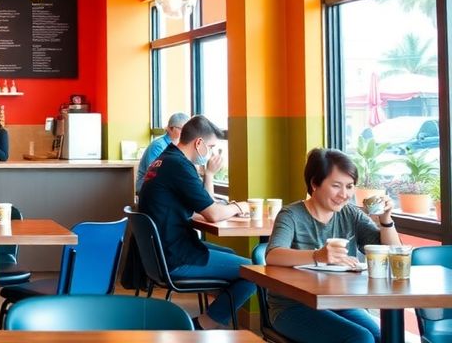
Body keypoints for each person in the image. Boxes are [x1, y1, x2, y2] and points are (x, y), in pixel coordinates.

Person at [266, 148, 401, 343]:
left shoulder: (351, 214)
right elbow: (273, 255)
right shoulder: (291, 215)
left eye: (350, 186)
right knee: (360, 338)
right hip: (293, 307)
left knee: (385, 337)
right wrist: (318, 256)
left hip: (341, 302)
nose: (344, 194)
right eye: (336, 186)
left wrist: (386, 220)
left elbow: (390, 253)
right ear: (314, 184)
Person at [138, 115, 254, 330]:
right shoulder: (180, 167)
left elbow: (204, 208)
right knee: (255, 270)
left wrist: (209, 174)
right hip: (176, 257)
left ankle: (211, 318)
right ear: (198, 143)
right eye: (210, 146)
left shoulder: (166, 159)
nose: (210, 152)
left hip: (161, 252)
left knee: (229, 253)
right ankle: (203, 324)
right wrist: (241, 207)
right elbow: (213, 214)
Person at [136, 112, 189, 193]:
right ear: (171, 129)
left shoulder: (180, 146)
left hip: (165, 184)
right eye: (182, 129)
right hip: (148, 187)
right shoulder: (158, 145)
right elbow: (154, 173)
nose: (185, 133)